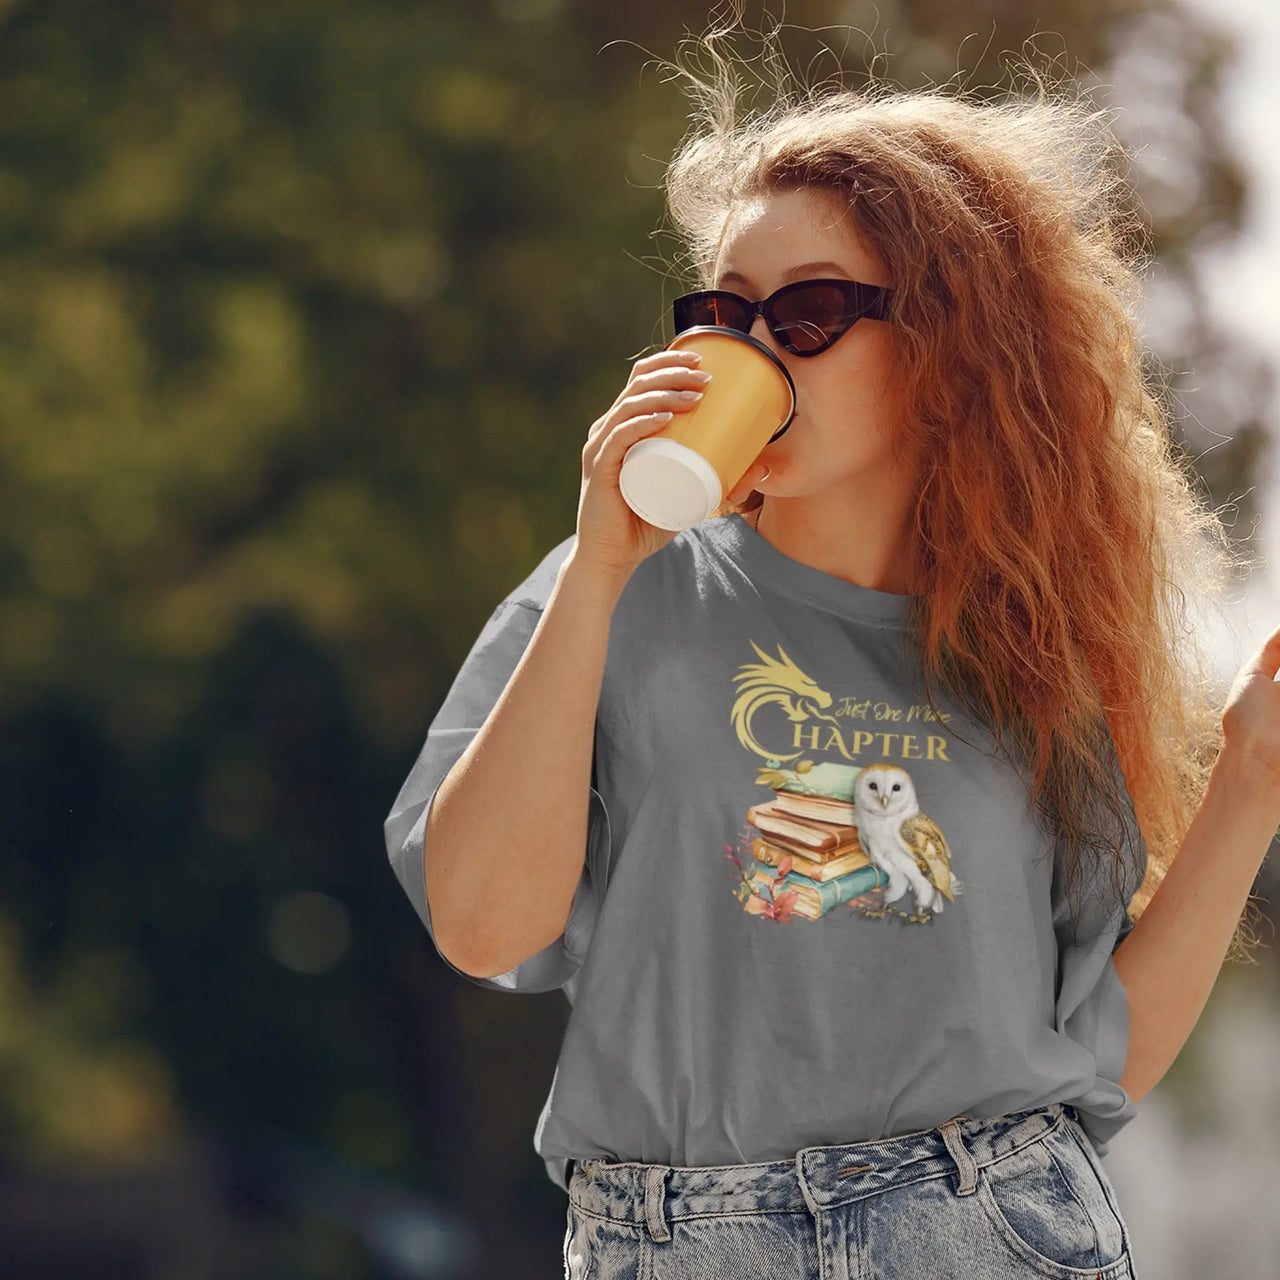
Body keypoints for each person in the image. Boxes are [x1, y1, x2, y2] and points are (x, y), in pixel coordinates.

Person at [383, 20, 1275, 1280]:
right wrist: (595, 569)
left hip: (984, 1226)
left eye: (804, 313)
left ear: (948, 351)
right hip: (674, 1241)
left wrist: (1247, 781)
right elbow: (481, 925)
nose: (748, 350)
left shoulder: (1026, 653)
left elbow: (1092, 1056)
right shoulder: (608, 588)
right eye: (721, 312)